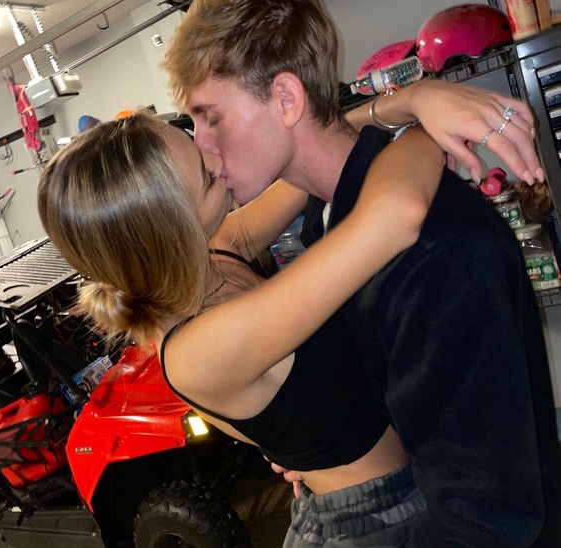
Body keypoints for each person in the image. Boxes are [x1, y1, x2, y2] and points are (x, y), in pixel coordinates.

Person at [163, 0, 561, 546]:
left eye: (211, 117)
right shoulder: (329, 214)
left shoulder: (434, 252)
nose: (203, 147)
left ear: (286, 98)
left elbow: (485, 523)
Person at [39, 111, 447, 545]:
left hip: (408, 470)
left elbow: (314, 152)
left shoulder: (215, 253)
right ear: (169, 226)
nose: (217, 158)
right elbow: (398, 213)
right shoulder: (200, 348)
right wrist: (428, 121)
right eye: (205, 174)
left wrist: (393, 106)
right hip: (378, 521)